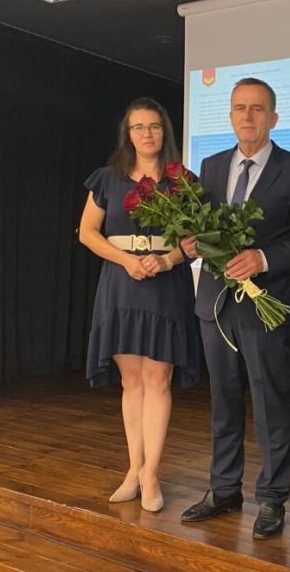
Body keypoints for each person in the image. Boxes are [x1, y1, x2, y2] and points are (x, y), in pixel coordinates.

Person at [180, 78, 290, 539]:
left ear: (273, 117)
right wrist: (192, 242)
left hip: (265, 303)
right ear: (230, 115)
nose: (248, 116)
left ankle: (273, 498)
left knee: (270, 401)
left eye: (257, 108)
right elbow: (202, 228)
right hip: (215, 303)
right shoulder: (211, 166)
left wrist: (263, 258)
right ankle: (224, 489)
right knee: (223, 401)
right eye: (240, 107)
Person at [79, 97, 201, 513]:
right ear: (127, 134)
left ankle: (152, 475)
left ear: (165, 132)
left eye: (154, 126)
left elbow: (197, 241)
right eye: (138, 127)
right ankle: (133, 469)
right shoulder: (107, 178)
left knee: (158, 380)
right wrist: (126, 260)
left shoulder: (183, 181)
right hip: (122, 282)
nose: (147, 134)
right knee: (132, 382)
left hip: (166, 284)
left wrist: (167, 259)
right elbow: (87, 232)